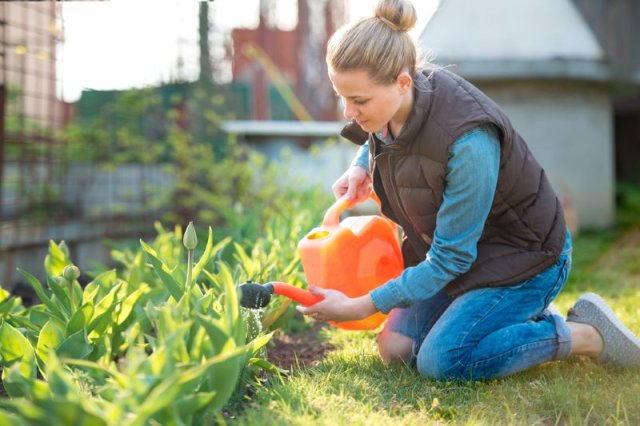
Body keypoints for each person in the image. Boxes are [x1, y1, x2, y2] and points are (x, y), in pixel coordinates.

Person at [297, 0, 640, 380]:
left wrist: (361, 306)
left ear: (403, 83)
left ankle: (584, 336)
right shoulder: (398, 96)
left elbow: (449, 260)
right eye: (342, 96)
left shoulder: (468, 140)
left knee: (443, 361)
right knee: (396, 349)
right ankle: (509, 319)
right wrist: (361, 165)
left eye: (358, 100)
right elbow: (377, 131)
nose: (348, 112)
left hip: (524, 260)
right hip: (464, 257)